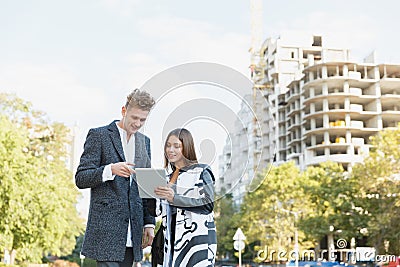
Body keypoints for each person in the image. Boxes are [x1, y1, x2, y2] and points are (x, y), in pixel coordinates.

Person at [75, 89, 156, 267]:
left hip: (132, 233)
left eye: (142, 120)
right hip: (106, 232)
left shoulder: (145, 142)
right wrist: (110, 170)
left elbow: (147, 187)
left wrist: (149, 223)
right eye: (134, 118)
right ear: (123, 111)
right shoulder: (100, 135)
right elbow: (81, 178)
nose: (137, 123)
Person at [154, 128, 217, 267]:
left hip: (195, 244)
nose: (170, 150)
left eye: (176, 146)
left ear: (186, 147)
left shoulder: (201, 171)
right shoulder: (166, 178)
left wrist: (174, 199)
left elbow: (207, 204)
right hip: (170, 243)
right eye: (168, 145)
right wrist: (148, 194)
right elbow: (157, 211)